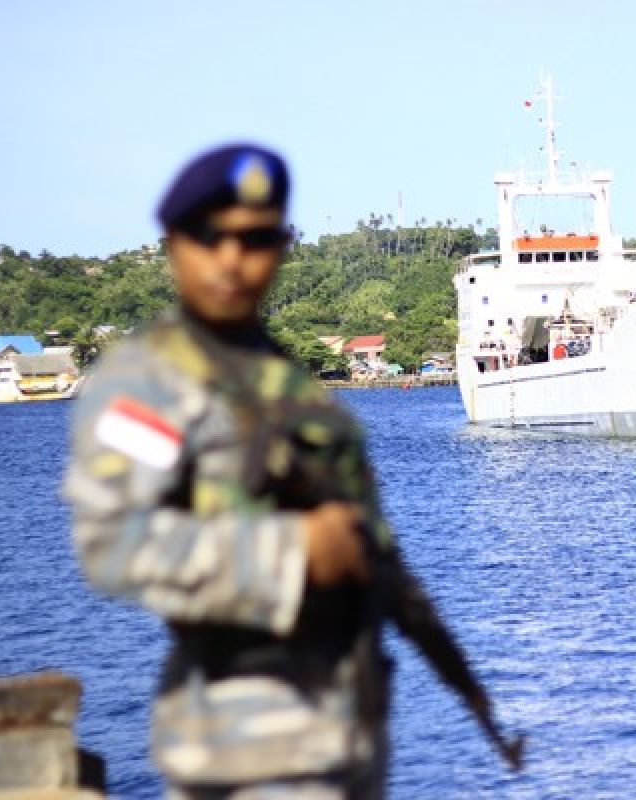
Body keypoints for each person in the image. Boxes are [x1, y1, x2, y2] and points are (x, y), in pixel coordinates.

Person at [65, 144, 519, 799]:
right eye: (209, 236)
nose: (231, 259)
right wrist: (293, 554)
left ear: (280, 249)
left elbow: (377, 561)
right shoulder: (152, 382)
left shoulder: (288, 384)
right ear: (174, 246)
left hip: (344, 734)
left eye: (254, 239)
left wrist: (468, 690)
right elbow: (112, 544)